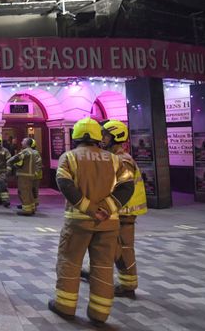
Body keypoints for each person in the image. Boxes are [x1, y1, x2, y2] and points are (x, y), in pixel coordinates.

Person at [48, 118, 135, 326]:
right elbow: (127, 186)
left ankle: (65, 306)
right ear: (98, 137)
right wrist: (106, 208)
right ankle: (99, 313)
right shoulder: (115, 160)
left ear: (75, 136)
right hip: (108, 223)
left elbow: (64, 184)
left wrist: (88, 207)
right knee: (103, 266)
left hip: (78, 222)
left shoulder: (68, 157)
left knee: (69, 262)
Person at [81, 120, 148, 299]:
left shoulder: (121, 160)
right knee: (112, 245)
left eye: (105, 135)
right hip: (118, 210)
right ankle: (98, 273)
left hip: (124, 211)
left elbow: (116, 187)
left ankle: (128, 285)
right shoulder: (112, 157)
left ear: (116, 137)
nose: (102, 139)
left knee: (123, 248)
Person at [7, 138, 42, 216]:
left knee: (24, 192)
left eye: (23, 141)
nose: (21, 142)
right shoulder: (33, 152)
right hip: (30, 175)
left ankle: (26, 210)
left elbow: (16, 158)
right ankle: (31, 207)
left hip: (24, 175)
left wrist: (9, 161)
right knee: (29, 191)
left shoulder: (25, 152)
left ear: (27, 143)